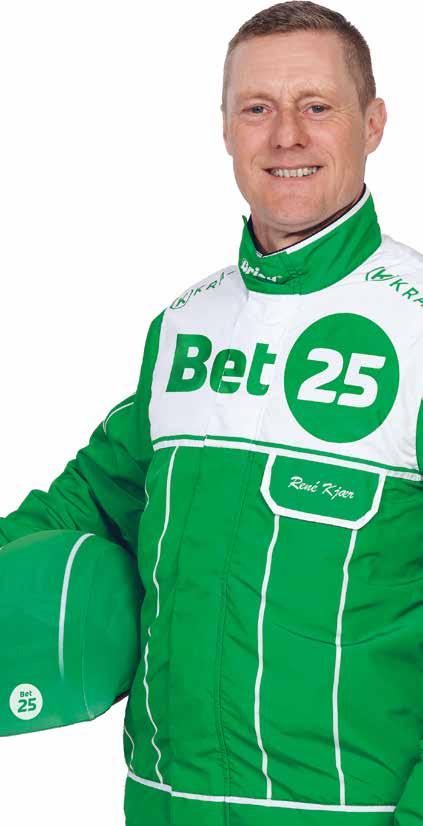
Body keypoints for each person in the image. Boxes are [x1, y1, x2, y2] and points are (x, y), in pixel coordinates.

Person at [1, 1, 422, 823]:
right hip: (163, 799)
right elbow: (92, 500)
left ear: (372, 123)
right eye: (257, 108)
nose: (286, 136)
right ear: (225, 128)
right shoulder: (184, 325)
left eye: (316, 106)